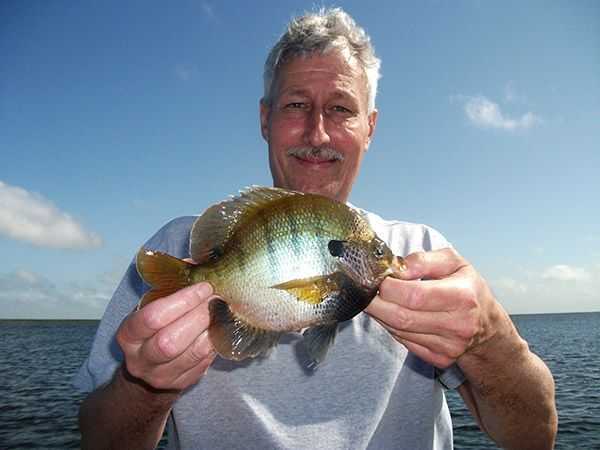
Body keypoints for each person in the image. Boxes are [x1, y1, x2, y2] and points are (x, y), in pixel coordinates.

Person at [75, 8, 557, 450]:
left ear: (370, 127)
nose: (318, 133)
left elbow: (535, 436)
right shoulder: (179, 247)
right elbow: (99, 441)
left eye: (341, 109)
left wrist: (489, 340)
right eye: (296, 106)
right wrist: (145, 387)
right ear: (265, 120)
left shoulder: (424, 259)